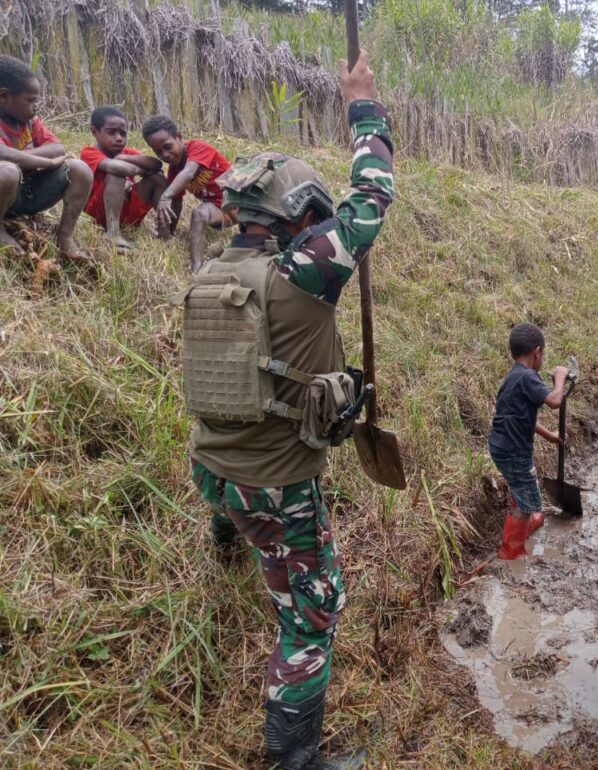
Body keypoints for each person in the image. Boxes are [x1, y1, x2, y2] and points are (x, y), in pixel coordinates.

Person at [181, 50, 392, 770]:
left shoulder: (210, 273)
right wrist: (362, 106)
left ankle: (230, 549)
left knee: (237, 510)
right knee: (312, 617)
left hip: (212, 466)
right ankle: (294, 760)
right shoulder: (303, 271)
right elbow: (373, 195)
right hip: (275, 484)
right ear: (301, 217)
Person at [488, 323, 569, 559]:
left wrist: (549, 435)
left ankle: (525, 523)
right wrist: (560, 379)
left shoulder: (513, 377)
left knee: (519, 485)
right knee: (528, 501)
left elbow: (522, 418)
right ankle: (511, 550)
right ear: (537, 352)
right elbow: (554, 401)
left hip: (501, 446)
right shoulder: (528, 377)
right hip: (514, 450)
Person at [0, 54, 92, 262]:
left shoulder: (30, 122)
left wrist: (22, 158)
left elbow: (57, 148)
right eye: (31, 100)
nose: (36, 106)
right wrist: (48, 163)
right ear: (4, 96)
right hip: (4, 190)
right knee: (7, 172)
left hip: (28, 193)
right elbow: (4, 154)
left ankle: (65, 235)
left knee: (80, 169)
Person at [141, 114, 235, 272]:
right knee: (199, 214)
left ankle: (199, 266)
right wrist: (168, 231)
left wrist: (165, 196)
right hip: (219, 210)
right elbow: (176, 202)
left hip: (240, 203)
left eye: (167, 146)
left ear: (179, 137)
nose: (165, 155)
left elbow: (189, 172)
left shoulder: (198, 148)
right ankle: (196, 268)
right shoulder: (174, 170)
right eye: (158, 152)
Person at [81, 106, 167, 250]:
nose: (119, 138)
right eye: (111, 132)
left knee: (158, 178)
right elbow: (117, 168)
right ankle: (113, 234)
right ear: (95, 132)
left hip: (126, 213)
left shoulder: (127, 153)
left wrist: (123, 158)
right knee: (116, 174)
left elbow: (157, 165)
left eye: (123, 133)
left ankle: (165, 233)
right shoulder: (89, 153)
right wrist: (142, 170)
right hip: (98, 215)